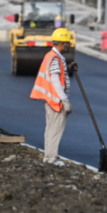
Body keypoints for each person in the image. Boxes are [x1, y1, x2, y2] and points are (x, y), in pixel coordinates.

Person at [29, 28, 77, 165]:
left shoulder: (50, 56)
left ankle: (48, 157)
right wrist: (64, 100)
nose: (69, 46)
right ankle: (52, 158)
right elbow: (55, 80)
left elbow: (56, 74)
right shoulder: (55, 59)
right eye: (67, 43)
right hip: (56, 101)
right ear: (61, 43)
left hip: (50, 100)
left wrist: (67, 68)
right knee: (55, 130)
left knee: (50, 130)